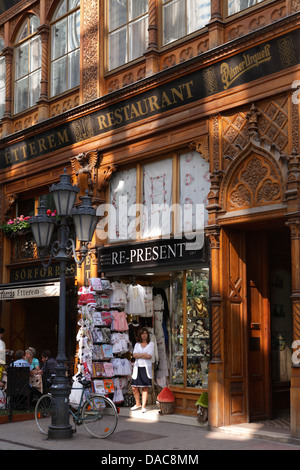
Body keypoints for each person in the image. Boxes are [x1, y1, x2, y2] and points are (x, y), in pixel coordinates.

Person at [131, 327, 154, 413]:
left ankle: (143, 406)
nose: (144, 335)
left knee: (145, 387)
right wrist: (143, 354)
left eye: (145, 333)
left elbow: (149, 356)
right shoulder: (137, 345)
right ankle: (138, 403)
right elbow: (134, 355)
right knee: (134, 387)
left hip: (146, 368)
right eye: (142, 334)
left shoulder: (151, 344)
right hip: (137, 367)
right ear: (140, 335)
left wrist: (139, 355)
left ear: (148, 335)